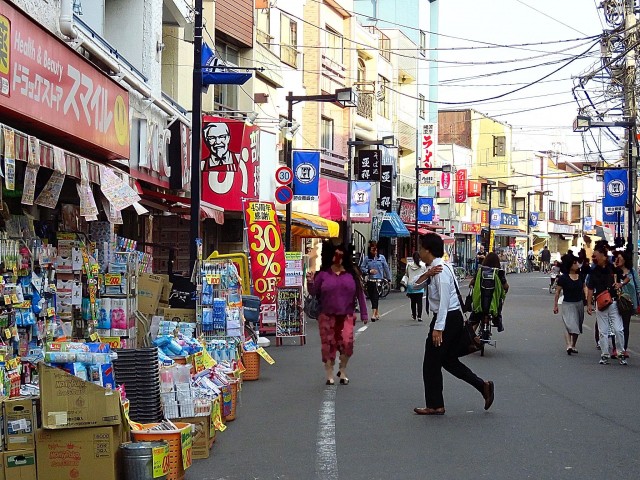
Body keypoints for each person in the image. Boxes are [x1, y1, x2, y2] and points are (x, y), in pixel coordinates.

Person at [411, 233, 494, 416]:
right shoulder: (435, 269)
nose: (418, 252)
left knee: (431, 363)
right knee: (447, 360)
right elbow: (413, 286)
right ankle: (483, 386)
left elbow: (444, 302)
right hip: (450, 318)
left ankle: (435, 405)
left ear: (428, 250)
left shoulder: (441, 271)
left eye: (420, 248)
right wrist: (426, 274)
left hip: (447, 318)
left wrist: (438, 328)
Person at [306, 242, 368, 385]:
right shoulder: (323, 275)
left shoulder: (352, 274)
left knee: (347, 343)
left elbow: (360, 294)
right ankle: (329, 374)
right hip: (326, 315)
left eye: (341, 254)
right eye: (335, 254)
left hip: (346, 315)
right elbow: (313, 292)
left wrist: (364, 313)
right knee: (328, 345)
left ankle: (343, 370)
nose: (338, 257)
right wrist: (310, 282)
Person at [585, 243, 627, 365]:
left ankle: (620, 353)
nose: (594, 258)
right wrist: (589, 305)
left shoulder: (614, 268)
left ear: (603, 256)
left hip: (613, 302)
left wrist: (621, 284)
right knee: (602, 331)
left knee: (619, 329)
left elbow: (627, 276)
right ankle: (604, 354)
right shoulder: (594, 271)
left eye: (596, 256)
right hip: (601, 304)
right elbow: (590, 288)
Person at [553, 252, 585, 355]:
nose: (577, 265)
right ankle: (568, 345)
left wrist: (587, 300)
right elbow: (557, 292)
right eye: (575, 263)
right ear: (570, 265)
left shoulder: (581, 277)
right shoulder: (563, 278)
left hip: (579, 303)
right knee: (569, 324)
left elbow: (585, 287)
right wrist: (555, 305)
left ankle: (573, 344)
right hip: (567, 304)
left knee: (577, 325)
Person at [469, 252, 509, 332]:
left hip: (479, 304)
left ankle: (470, 337)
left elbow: (471, 283)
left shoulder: (480, 271)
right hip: (493, 305)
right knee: (498, 306)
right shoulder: (499, 272)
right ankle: (497, 320)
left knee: (475, 319)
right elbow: (506, 287)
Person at [613, 250, 639, 358]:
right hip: (616, 300)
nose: (618, 260)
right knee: (616, 326)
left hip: (628, 302)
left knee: (625, 326)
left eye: (620, 258)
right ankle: (615, 348)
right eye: (617, 258)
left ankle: (623, 348)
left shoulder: (632, 272)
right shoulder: (615, 272)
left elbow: (637, 286)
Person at [360, 241, 391, 322]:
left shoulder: (382, 258)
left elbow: (386, 268)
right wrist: (369, 271)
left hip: (379, 281)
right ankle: (376, 312)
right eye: (373, 250)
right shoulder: (367, 258)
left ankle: (373, 314)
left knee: (375, 296)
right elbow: (362, 267)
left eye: (375, 250)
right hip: (370, 280)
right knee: (371, 296)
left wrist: (389, 279)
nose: (374, 252)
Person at [405, 252, 427, 322]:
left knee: (413, 301)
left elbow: (407, 274)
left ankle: (414, 315)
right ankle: (419, 316)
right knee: (419, 301)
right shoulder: (423, 265)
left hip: (411, 285)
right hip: (419, 285)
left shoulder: (408, 265)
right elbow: (425, 274)